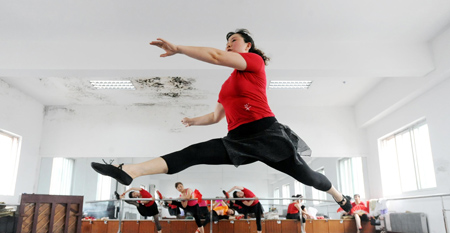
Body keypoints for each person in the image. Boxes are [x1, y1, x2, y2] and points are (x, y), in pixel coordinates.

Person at [91, 29, 352, 216]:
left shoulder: (254, 63)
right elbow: (216, 116)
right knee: (192, 153)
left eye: (234, 40)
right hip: (237, 140)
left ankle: (340, 197)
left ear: (248, 45)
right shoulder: (227, 85)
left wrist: (179, 48)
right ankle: (130, 171)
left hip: (267, 134)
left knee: (308, 177)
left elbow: (215, 57)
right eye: (227, 41)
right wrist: (194, 121)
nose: (229, 44)